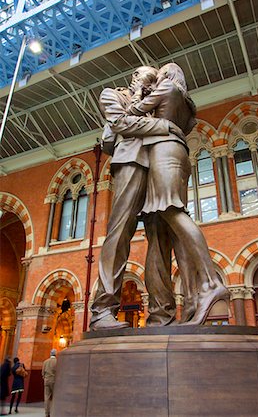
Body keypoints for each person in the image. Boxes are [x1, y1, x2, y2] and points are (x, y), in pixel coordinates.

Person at [128, 63, 229, 325]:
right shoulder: (185, 102)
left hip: (164, 153)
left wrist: (141, 92)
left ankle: (210, 282)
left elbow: (132, 114)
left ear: (168, 75)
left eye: (160, 72)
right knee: (174, 221)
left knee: (171, 211)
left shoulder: (166, 87)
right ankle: (194, 297)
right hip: (181, 154)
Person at [90, 67, 185, 330]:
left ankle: (162, 314)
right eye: (148, 76)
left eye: (156, 79)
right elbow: (121, 123)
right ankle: (102, 311)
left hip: (159, 164)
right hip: (130, 160)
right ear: (133, 77)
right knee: (120, 230)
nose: (153, 81)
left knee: (160, 237)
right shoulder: (111, 95)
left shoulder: (154, 101)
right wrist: (164, 126)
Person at [42, 349, 57, 417]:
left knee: (46, 397)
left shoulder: (45, 361)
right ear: (55, 354)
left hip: (46, 380)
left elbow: (42, 373)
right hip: (54, 381)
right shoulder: (57, 362)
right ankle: (54, 411)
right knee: (54, 397)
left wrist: (45, 378)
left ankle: (47, 413)